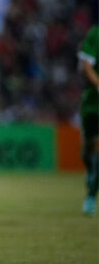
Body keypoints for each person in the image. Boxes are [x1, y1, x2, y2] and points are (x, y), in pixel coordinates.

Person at [78, 24, 98, 216]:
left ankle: (91, 195)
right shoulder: (95, 34)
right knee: (88, 149)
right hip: (92, 103)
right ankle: (90, 169)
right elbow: (86, 65)